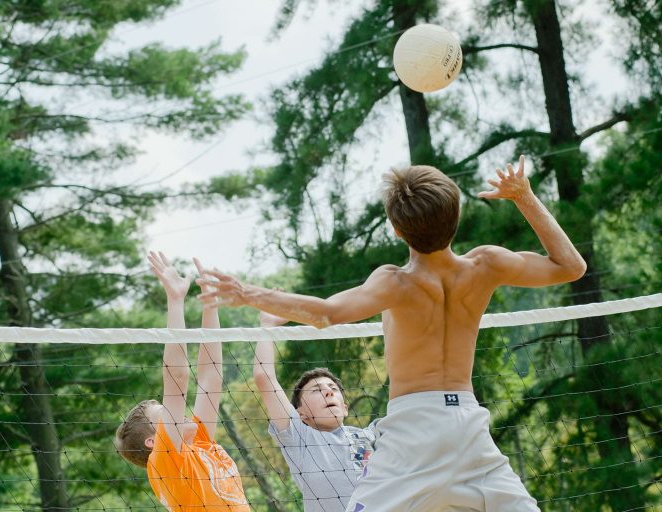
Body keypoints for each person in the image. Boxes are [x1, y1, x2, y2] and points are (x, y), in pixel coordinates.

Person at [198, 156, 585, 511]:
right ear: (457, 216)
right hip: (468, 425)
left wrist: (250, 294)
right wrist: (524, 196)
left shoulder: (396, 282)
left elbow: (327, 314)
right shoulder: (485, 263)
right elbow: (571, 266)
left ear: (398, 231)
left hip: (413, 430)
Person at [114, 251, 250, 511]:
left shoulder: (199, 443)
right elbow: (177, 377)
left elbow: (210, 376)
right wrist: (175, 301)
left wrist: (210, 305)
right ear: (154, 441)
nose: (179, 412)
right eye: (166, 414)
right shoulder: (166, 461)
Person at [254, 310, 377, 512]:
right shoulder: (300, 438)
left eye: (333, 389)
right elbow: (263, 377)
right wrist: (267, 324)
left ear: (345, 408)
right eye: (316, 390)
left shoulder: (372, 434)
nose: (328, 392)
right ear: (301, 414)